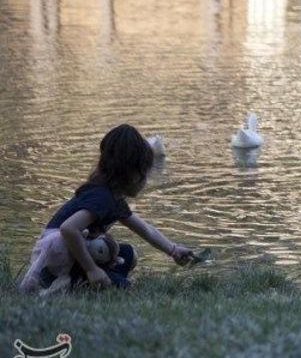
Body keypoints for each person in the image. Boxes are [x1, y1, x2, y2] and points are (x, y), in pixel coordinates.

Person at [19, 124, 193, 291]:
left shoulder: (113, 196)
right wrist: (91, 269)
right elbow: (69, 229)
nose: (145, 181)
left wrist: (173, 250)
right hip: (56, 265)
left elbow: (146, 229)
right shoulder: (101, 198)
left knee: (127, 255)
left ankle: (96, 278)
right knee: (120, 287)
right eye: (144, 174)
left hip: (74, 255)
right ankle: (74, 282)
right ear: (132, 174)